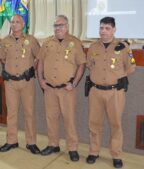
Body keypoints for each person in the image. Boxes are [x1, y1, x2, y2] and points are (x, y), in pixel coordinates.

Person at [85, 16, 136, 168]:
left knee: (115, 125)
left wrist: (120, 77)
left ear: (114, 29)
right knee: (94, 124)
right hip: (95, 91)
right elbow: (89, 65)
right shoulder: (93, 47)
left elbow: (132, 66)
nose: (104, 31)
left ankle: (116, 155)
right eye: (101, 28)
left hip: (115, 92)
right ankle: (94, 151)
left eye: (107, 28)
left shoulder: (123, 47)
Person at [37, 15, 86, 161]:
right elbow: (40, 62)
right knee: (51, 118)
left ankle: (72, 148)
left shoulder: (75, 43)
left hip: (66, 89)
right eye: (56, 26)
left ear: (67, 26)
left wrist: (75, 83)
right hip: (50, 89)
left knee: (69, 119)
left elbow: (81, 65)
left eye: (61, 25)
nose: (58, 28)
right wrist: (41, 81)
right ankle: (53, 144)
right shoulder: (47, 42)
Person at [0, 14, 41, 154]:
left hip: (26, 82)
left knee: (29, 113)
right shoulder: (5, 41)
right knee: (11, 113)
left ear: (23, 24)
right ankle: (11, 141)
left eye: (18, 22)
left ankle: (31, 142)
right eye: (12, 22)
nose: (15, 24)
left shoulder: (31, 40)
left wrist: (32, 68)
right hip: (10, 83)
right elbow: (2, 59)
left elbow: (39, 57)